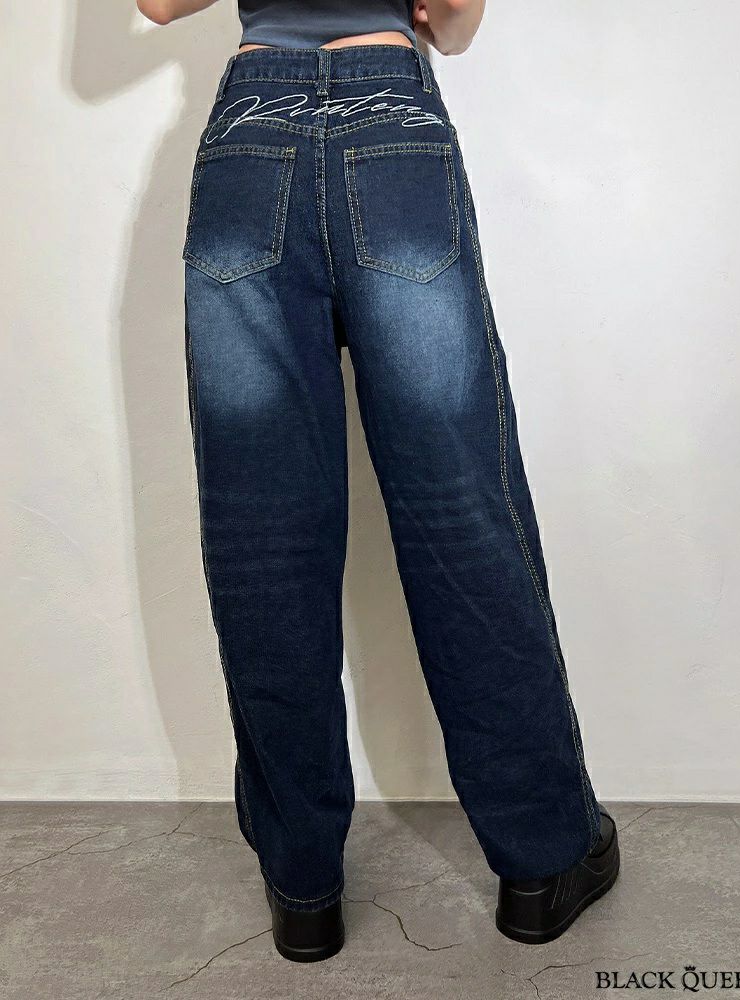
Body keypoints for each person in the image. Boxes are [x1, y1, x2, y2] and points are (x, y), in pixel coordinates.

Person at [137, 0, 620, 962]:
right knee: (462, 513)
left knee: (262, 531)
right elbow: (451, 21)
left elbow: (156, 2)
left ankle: (303, 886)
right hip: (391, 127)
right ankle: (542, 861)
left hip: (248, 139)